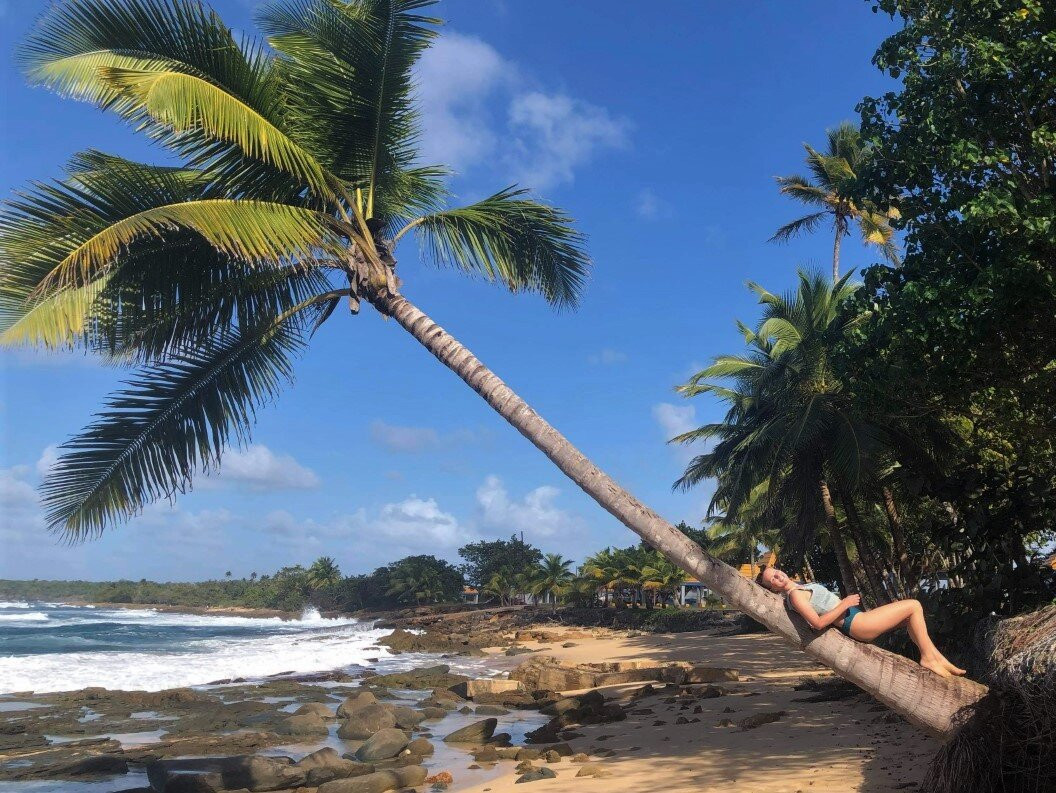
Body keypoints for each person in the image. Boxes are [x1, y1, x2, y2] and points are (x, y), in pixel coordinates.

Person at [756, 565, 966, 678]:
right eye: (772, 580)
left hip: (857, 618)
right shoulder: (795, 596)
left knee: (912, 617)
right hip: (856, 623)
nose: (777, 577)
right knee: (914, 606)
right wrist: (844, 603)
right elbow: (817, 624)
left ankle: (937, 659)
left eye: (776, 573)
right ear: (773, 589)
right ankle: (930, 658)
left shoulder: (801, 586)